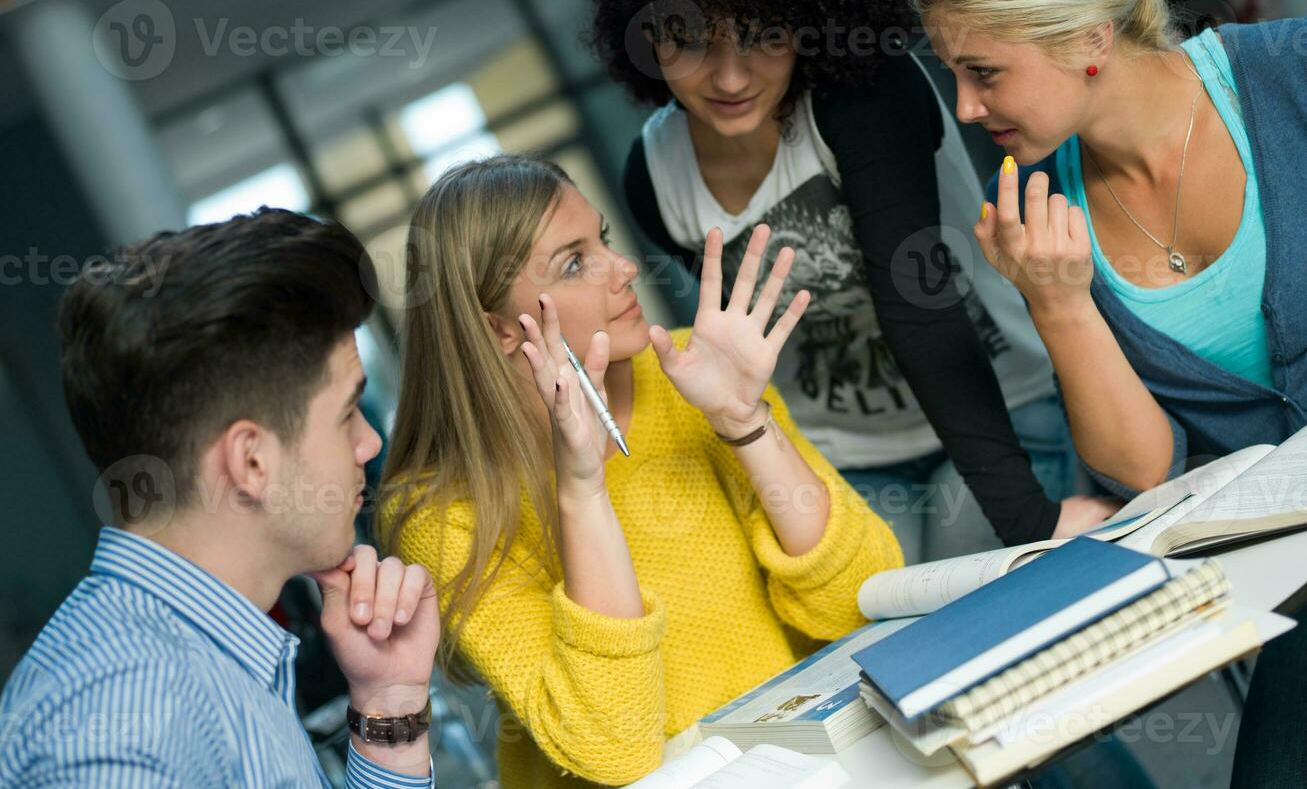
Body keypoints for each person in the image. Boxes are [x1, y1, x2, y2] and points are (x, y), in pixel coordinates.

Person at [575, 0, 1112, 564]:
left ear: (807, 15)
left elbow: (916, 307)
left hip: (1001, 409)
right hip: (842, 452)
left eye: (762, 35)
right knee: (894, 635)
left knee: (993, 593)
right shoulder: (653, 176)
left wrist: (1030, 525)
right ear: (643, 32)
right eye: (690, 42)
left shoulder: (863, 98)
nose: (729, 78)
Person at [909, 0, 1307, 789]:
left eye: (983, 71)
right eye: (953, 76)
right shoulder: (1047, 214)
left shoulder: (1289, 74)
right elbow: (1144, 468)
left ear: (1090, 38)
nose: (966, 108)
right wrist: (1057, 304)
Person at [376, 155, 901, 789]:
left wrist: (743, 422)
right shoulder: (444, 512)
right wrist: (582, 490)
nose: (624, 269)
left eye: (604, 240)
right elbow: (612, 746)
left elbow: (865, 602)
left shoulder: (690, 376)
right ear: (497, 330)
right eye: (574, 263)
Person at [0, 209, 440, 788]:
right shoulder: (127, 721)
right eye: (346, 413)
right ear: (251, 461)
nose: (369, 442)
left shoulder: (203, 654)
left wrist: (388, 701)